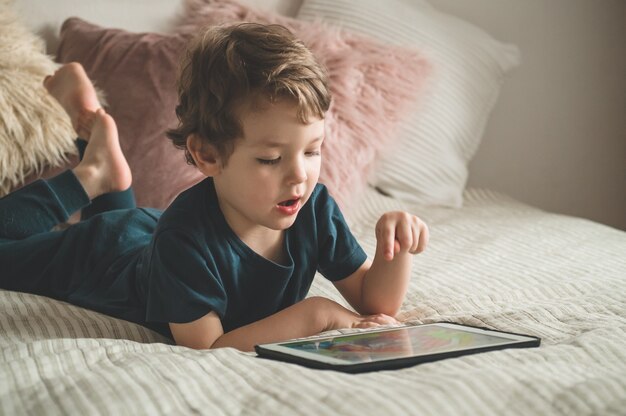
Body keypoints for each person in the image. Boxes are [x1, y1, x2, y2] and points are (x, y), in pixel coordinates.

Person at [0, 23, 428, 352]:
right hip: (101, 255)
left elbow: (378, 306)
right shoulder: (184, 240)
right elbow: (207, 347)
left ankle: (102, 161)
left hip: (149, 236)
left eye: (312, 151)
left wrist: (395, 250)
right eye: (270, 159)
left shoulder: (312, 207)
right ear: (206, 156)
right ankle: (90, 175)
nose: (299, 175)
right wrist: (318, 315)